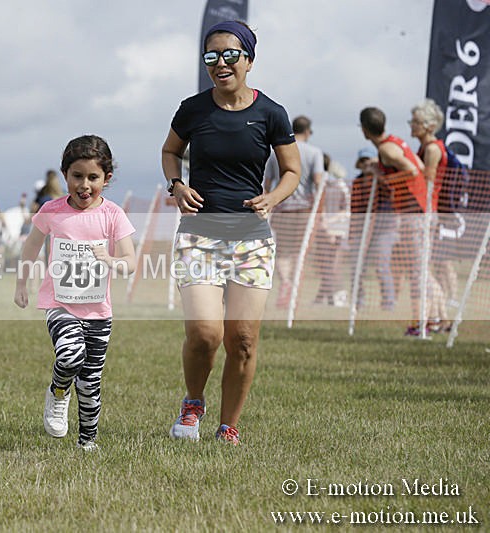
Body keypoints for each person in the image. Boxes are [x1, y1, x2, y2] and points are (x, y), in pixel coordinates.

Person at [161, 21, 301, 444]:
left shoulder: (271, 113)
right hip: (199, 234)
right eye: (211, 56)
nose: (220, 63)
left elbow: (292, 171)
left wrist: (272, 198)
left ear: (249, 61)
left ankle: (228, 427)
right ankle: (193, 404)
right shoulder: (193, 109)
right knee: (206, 333)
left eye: (230, 55)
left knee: (242, 339)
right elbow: (170, 151)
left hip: (252, 239)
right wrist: (177, 185)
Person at [14, 135, 136, 451]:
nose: (84, 185)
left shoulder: (113, 215)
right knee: (70, 356)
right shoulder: (52, 211)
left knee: (91, 382)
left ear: (106, 178)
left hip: (98, 311)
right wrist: (21, 283)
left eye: (93, 177)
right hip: (59, 304)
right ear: (65, 175)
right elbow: (30, 248)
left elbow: (130, 262)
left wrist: (110, 260)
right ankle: (58, 391)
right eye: (77, 176)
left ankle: (87, 442)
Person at [359, 106, 439, 336]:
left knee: (417, 270)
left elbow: (413, 171)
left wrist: (382, 177)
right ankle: (433, 318)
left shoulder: (386, 149)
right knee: (421, 269)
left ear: (364, 130)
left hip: (415, 212)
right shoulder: (395, 142)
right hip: (421, 210)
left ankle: (422, 322)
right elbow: (420, 166)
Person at [264, 115, 324, 308]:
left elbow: (267, 183)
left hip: (282, 209)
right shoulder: (314, 153)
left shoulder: (275, 153)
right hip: (304, 210)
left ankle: (286, 283)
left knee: (282, 252)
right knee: (299, 252)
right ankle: (293, 288)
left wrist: (267, 206)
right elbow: (318, 182)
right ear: (308, 131)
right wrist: (320, 211)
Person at [410, 98, 453, 332]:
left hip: (425, 212)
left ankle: (437, 318)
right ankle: (441, 318)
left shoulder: (433, 149)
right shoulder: (425, 148)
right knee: (423, 268)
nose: (412, 125)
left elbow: (428, 180)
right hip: (425, 211)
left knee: (422, 269)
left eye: (416, 122)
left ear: (429, 125)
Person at [349, 146, 398, 311]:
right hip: (361, 229)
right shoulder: (357, 182)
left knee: (381, 265)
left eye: (368, 161)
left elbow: (392, 193)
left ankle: (388, 303)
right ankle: (358, 302)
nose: (366, 165)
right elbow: (354, 209)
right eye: (363, 161)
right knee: (356, 267)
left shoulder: (384, 179)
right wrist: (352, 233)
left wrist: (378, 177)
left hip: (384, 228)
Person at [313, 154, 350, 306]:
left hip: (338, 231)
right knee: (325, 267)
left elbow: (346, 210)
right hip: (324, 230)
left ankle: (336, 297)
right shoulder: (321, 185)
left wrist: (329, 224)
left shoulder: (339, 185)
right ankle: (324, 297)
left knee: (334, 266)